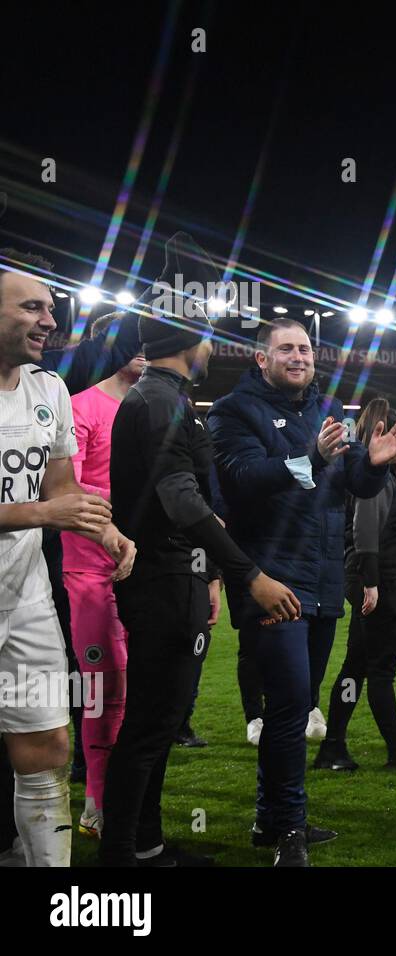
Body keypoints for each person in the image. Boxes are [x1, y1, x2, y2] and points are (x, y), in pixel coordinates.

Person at [103, 289, 300, 867]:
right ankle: (120, 858)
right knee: (151, 722)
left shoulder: (164, 399)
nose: (212, 344)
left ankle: (144, 844)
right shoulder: (160, 402)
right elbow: (182, 500)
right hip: (162, 580)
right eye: (207, 333)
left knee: (159, 721)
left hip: (174, 577)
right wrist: (248, 574)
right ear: (190, 341)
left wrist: (211, 572)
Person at [207, 318, 396, 865]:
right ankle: (290, 827)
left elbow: (348, 487)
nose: (299, 356)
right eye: (286, 348)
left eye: (306, 348)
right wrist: (315, 457)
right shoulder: (232, 412)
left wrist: (372, 466)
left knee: (295, 706)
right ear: (261, 358)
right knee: (293, 703)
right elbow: (243, 479)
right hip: (271, 578)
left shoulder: (328, 410)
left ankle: (269, 820)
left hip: (319, 583)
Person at [0, 252, 136, 867]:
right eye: (32, 307)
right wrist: (41, 515)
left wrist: (103, 529)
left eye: (51, 309)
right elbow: (43, 509)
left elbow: (60, 490)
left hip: (25, 599)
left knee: (50, 746)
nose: (48, 320)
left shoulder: (49, 389)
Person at [317, 399, 396, 771]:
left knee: (356, 665)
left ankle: (334, 746)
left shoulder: (381, 476)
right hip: (382, 580)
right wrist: (371, 582)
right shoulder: (377, 479)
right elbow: (364, 530)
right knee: (380, 668)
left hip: (375, 577)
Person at [61, 314, 146, 838]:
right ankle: (96, 801)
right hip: (92, 568)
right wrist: (133, 507)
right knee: (103, 689)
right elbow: (64, 488)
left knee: (145, 691)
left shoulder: (158, 407)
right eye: (131, 344)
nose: (142, 351)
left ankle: (133, 803)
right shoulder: (82, 406)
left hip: (147, 567)